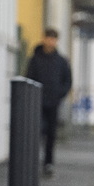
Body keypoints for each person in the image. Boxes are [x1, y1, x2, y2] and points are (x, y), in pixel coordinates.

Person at [25, 27, 72, 177]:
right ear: (44, 39)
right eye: (48, 38)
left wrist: (60, 94)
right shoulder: (35, 59)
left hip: (53, 102)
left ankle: (48, 162)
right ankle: (32, 161)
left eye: (53, 39)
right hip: (37, 102)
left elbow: (67, 80)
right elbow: (29, 78)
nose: (50, 42)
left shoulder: (61, 61)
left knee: (51, 134)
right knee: (36, 131)